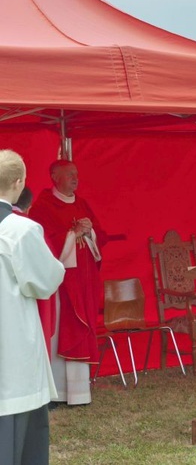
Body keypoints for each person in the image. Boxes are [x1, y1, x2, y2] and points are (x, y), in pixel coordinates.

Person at [0, 150, 65, 465]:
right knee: (17, 440)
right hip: (11, 348)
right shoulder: (20, 230)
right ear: (19, 182)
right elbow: (47, 279)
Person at [29, 160, 107, 406]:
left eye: (77, 174)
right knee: (60, 332)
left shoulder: (81, 203)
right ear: (55, 177)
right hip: (61, 285)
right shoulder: (43, 205)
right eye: (70, 175)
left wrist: (89, 231)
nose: (76, 179)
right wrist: (72, 234)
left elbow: (100, 235)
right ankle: (56, 392)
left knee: (81, 330)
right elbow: (45, 242)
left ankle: (79, 393)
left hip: (83, 282)